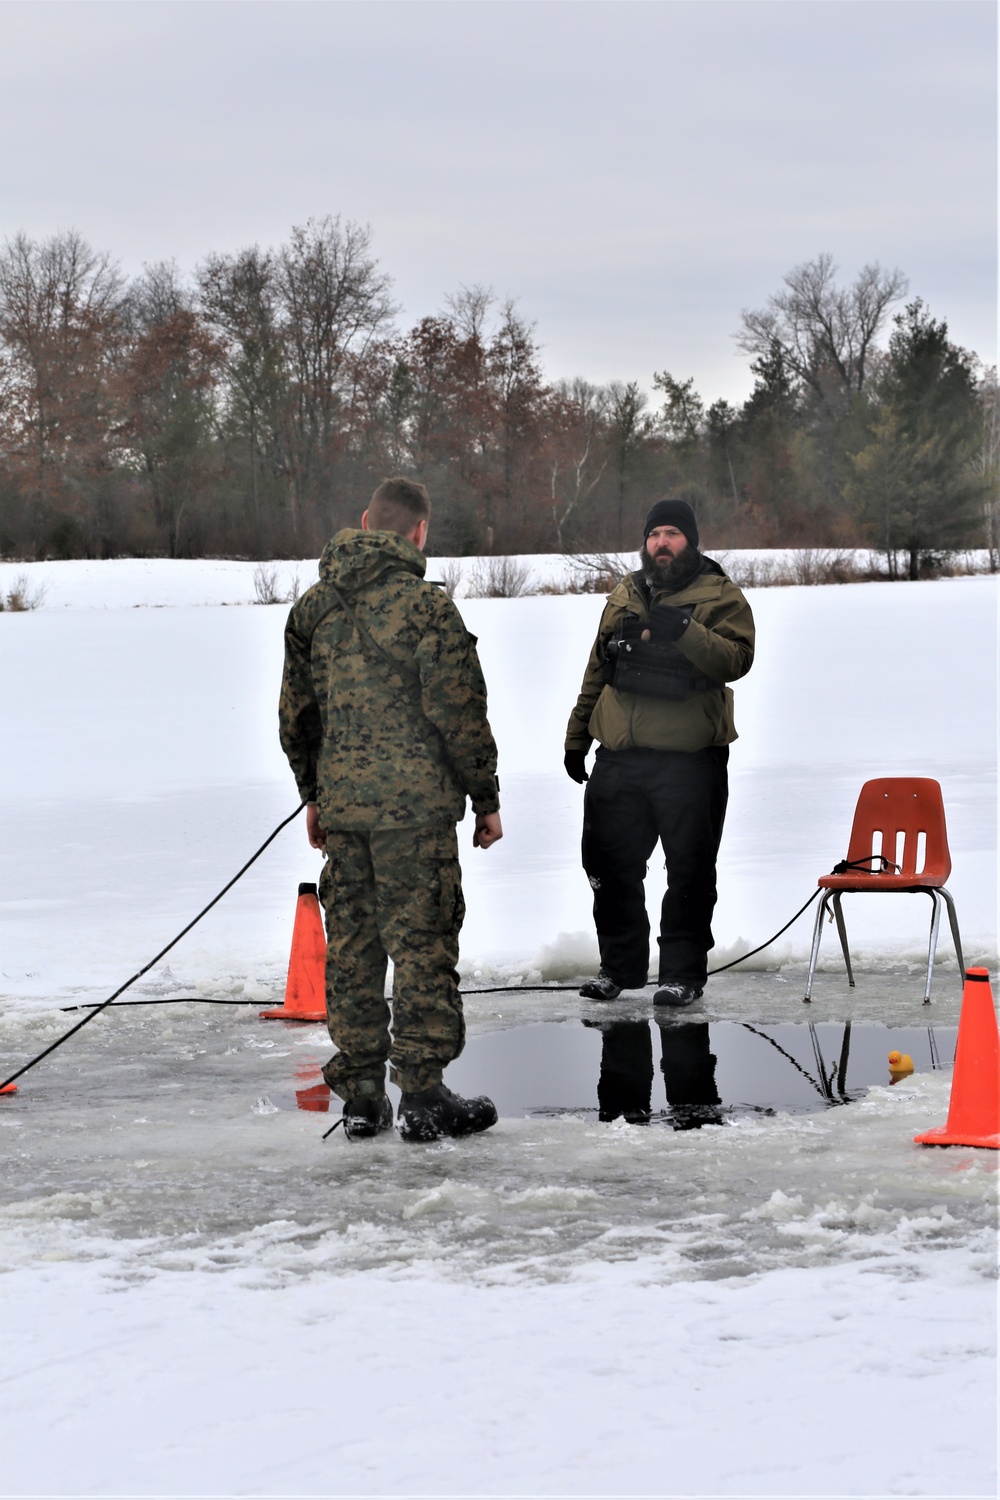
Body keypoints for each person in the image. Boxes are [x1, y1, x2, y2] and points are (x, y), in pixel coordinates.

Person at [279, 477, 503, 1142]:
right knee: (422, 948)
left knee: (353, 950)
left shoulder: (313, 610)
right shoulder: (426, 611)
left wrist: (314, 795)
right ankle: (424, 1096)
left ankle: (362, 1099)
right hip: (416, 816)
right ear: (418, 533)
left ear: (363, 519)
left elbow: (297, 716)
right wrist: (485, 796)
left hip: (345, 812)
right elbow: (459, 712)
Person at [564, 497, 754, 1006]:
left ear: (690, 541)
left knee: (689, 871)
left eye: (672, 533)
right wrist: (577, 735)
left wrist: (687, 631)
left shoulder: (720, 594)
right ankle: (619, 968)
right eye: (654, 535)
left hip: (689, 761)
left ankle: (681, 975)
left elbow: (737, 660)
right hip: (620, 757)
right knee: (608, 865)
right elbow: (597, 669)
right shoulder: (625, 592)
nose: (662, 543)